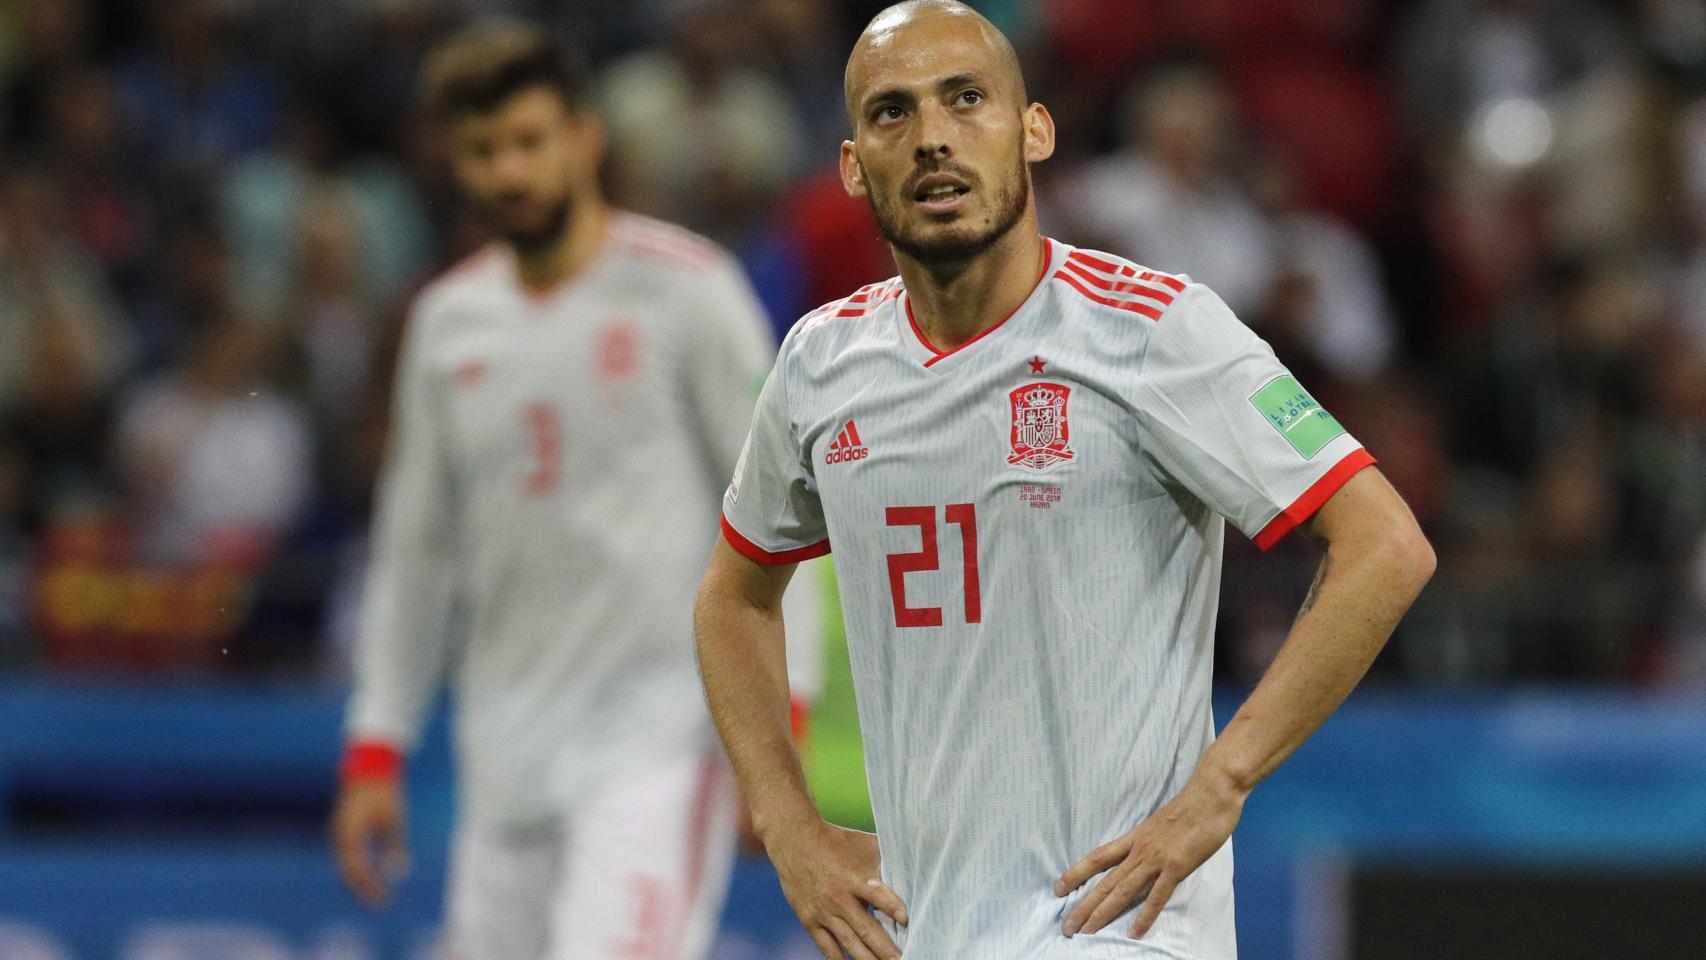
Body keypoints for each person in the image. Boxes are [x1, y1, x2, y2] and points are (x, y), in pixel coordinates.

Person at [692, 3, 1436, 959]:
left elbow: (1384, 545)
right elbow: (733, 595)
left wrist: (1223, 783)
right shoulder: (821, 364)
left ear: (1034, 129)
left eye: (966, 100)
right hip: (932, 930)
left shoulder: (1154, 330)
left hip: (1120, 925)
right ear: (850, 166)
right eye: (892, 113)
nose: (931, 139)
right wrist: (787, 824)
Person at [330, 22, 819, 960]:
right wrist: (375, 744)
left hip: (660, 734)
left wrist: (779, 732)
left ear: (584, 139)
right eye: (483, 151)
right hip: (504, 753)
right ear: (454, 165)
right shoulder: (445, 324)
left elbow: (786, 508)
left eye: (529, 141)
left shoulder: (689, 291)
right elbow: (415, 549)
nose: (510, 171)